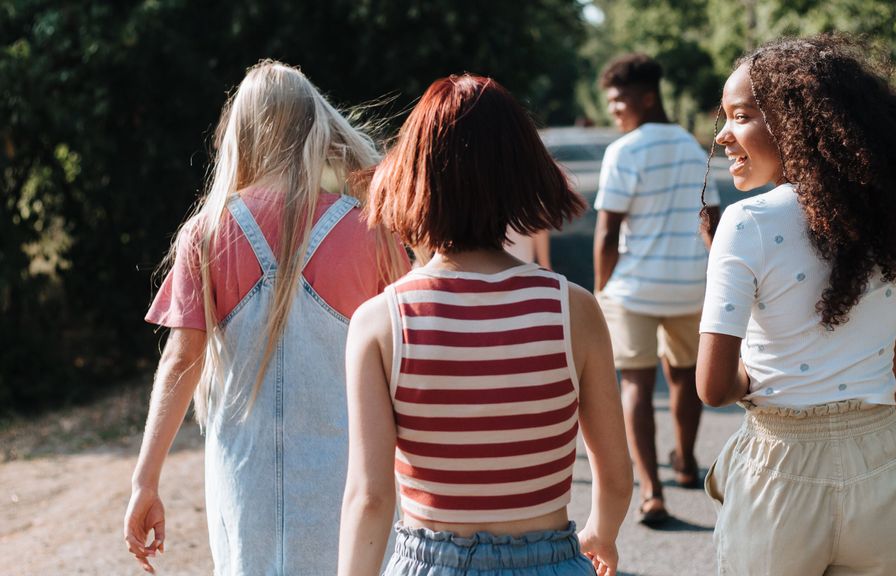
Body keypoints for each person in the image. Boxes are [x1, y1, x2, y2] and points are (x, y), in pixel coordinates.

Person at [338, 74, 634, 576]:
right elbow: (616, 472)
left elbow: (369, 497)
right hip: (551, 561)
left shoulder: (382, 322)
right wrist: (601, 531)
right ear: (524, 175)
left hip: (432, 562)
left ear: (412, 176)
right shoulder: (573, 309)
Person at [698, 35, 896, 575]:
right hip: (884, 460)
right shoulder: (893, 226)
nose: (724, 135)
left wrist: (751, 366)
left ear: (796, 123)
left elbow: (712, 386)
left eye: (742, 116)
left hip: (780, 473)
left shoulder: (746, 223)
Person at [123, 60, 409, 575]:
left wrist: (145, 481)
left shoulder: (206, 234)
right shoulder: (372, 231)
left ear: (241, 133)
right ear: (313, 126)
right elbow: (408, 366)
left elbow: (180, 361)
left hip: (243, 480)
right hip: (351, 483)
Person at [593, 53, 721, 524]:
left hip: (635, 290)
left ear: (647, 97)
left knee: (636, 385)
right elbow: (712, 220)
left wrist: (599, 289)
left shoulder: (624, 152)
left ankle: (651, 491)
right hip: (691, 284)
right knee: (686, 376)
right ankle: (685, 461)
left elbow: (607, 233)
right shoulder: (694, 147)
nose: (613, 110)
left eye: (618, 100)